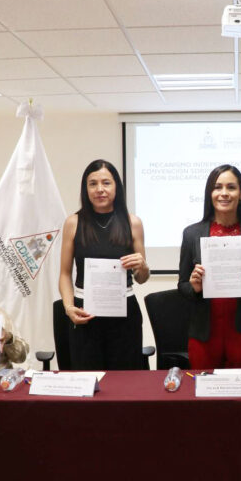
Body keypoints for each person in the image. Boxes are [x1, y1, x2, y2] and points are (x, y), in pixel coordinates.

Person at [178, 164, 241, 369]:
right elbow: (182, 286)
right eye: (217, 187)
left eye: (231, 187)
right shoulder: (191, 233)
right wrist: (194, 287)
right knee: (204, 387)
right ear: (210, 193)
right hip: (204, 333)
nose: (224, 193)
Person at [59, 159, 150, 370]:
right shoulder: (73, 222)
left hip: (124, 312)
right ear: (86, 189)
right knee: (87, 378)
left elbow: (141, 278)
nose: (100, 189)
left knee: (125, 379)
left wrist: (143, 267)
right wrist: (69, 308)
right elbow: (64, 274)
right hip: (85, 313)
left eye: (106, 183)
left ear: (116, 186)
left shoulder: (133, 223)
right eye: (93, 184)